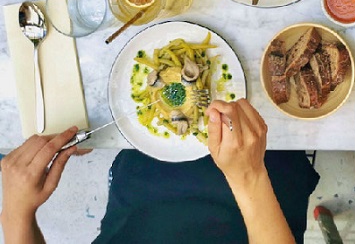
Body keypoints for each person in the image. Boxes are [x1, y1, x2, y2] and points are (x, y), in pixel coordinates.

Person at [0, 99, 319, 244]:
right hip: (257, 200)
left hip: (141, 191)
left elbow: (16, 218)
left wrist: (16, 213)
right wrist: (249, 176)